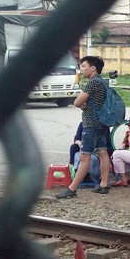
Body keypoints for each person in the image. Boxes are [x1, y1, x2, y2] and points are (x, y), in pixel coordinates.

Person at [56, 56, 112, 199]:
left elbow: (76, 102)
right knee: (103, 153)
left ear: (93, 68)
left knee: (84, 156)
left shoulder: (92, 83)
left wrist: (81, 104)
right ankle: (104, 184)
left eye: (84, 66)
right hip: (102, 124)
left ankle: (72, 188)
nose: (81, 69)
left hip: (91, 125)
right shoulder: (103, 82)